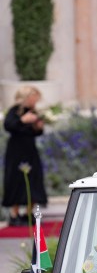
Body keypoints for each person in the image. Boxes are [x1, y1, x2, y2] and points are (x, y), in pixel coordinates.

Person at [2, 85, 47, 226]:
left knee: (34, 178)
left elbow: (35, 132)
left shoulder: (33, 111)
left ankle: (29, 212)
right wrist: (23, 120)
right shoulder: (15, 111)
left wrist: (38, 127)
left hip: (30, 150)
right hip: (16, 151)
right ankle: (14, 214)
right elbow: (8, 126)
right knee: (16, 179)